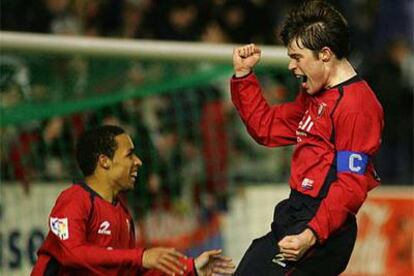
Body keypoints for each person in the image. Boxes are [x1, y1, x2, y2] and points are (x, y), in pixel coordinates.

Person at [230, 1, 383, 275]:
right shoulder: (313, 95)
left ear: (325, 54)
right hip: (293, 214)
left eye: (297, 57)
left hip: (322, 229)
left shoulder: (358, 107)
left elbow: (350, 186)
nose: (291, 65)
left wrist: (310, 235)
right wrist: (243, 77)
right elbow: (266, 127)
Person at [31, 125, 235, 276]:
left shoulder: (123, 215)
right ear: (104, 161)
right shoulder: (74, 200)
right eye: (129, 155)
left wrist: (191, 268)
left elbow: (130, 272)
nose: (138, 161)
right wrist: (139, 257)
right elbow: (72, 254)